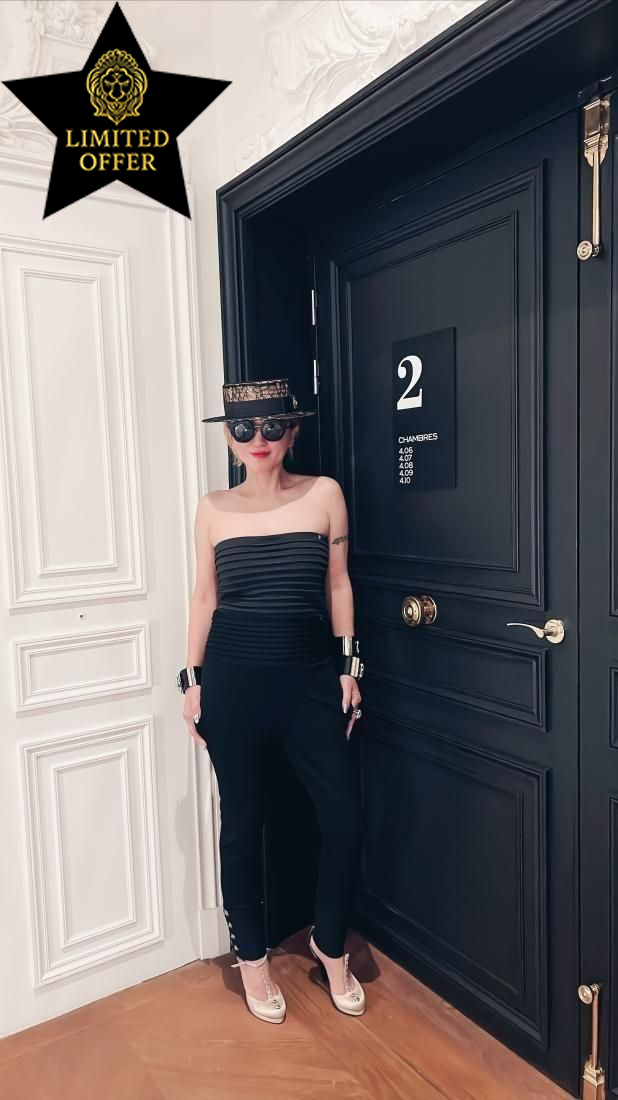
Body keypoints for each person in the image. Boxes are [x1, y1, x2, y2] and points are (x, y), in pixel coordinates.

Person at [177, 378, 366, 1024]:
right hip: (233, 682)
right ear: (229, 439)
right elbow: (204, 596)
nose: (257, 440)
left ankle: (329, 944)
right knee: (242, 823)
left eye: (271, 427)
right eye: (243, 429)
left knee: (344, 819)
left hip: (310, 679)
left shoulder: (324, 495)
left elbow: (338, 584)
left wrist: (349, 667)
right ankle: (252, 959)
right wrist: (191, 681)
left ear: (292, 430)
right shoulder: (211, 508)